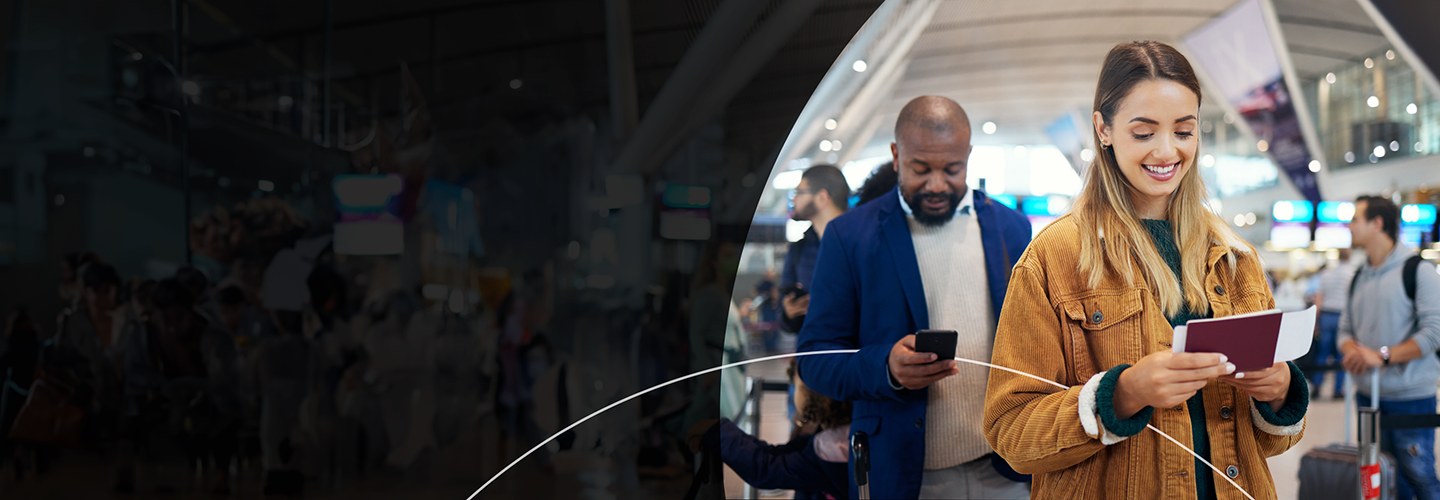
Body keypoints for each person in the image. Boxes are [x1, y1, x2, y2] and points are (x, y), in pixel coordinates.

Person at [983, 41, 1308, 500]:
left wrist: (1278, 391)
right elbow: (1011, 434)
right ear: (1103, 129)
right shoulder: (1054, 258)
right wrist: (1121, 394)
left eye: (1184, 131)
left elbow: (1274, 441)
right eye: (1143, 132)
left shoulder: (1234, 257)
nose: (1166, 151)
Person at [797, 95, 1033, 499]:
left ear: (969, 156)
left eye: (952, 169)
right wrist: (885, 367)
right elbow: (816, 358)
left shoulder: (1011, 228)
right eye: (920, 169)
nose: (937, 185)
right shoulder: (851, 236)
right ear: (895, 155)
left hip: (1005, 470)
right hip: (903, 474)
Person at [1339, 195, 1440, 500]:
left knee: (1419, 478)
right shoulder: (1358, 276)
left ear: (1377, 223)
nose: (1349, 226)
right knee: (1376, 482)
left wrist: (1382, 356)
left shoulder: (1417, 270)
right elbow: (1345, 329)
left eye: (1355, 219)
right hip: (1368, 397)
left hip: (1411, 398)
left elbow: (1434, 333)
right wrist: (1350, 350)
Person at [780, 164, 851, 335]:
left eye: (799, 192)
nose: (794, 199)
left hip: (853, 352)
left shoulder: (862, 243)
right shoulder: (799, 249)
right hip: (812, 351)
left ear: (822, 197)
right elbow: (784, 320)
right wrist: (789, 313)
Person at [1311, 248, 1355, 398]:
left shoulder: (1327, 274)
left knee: (1322, 353)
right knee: (1341, 355)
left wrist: (1315, 321)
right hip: (1343, 317)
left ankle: (1317, 386)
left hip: (1326, 316)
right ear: (1349, 256)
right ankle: (1337, 390)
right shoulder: (1352, 274)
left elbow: (1319, 299)